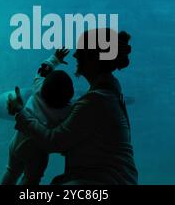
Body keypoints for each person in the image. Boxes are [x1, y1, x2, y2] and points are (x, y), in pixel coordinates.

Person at [8, 29, 139, 185]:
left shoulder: (96, 101)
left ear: (94, 58)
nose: (75, 55)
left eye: (81, 51)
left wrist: (20, 112)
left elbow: (54, 142)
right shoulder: (107, 96)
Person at [1, 49, 74, 185]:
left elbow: (43, 70)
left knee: (11, 171)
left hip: (18, 141)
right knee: (31, 179)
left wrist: (55, 58)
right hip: (38, 151)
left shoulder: (38, 86)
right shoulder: (68, 110)